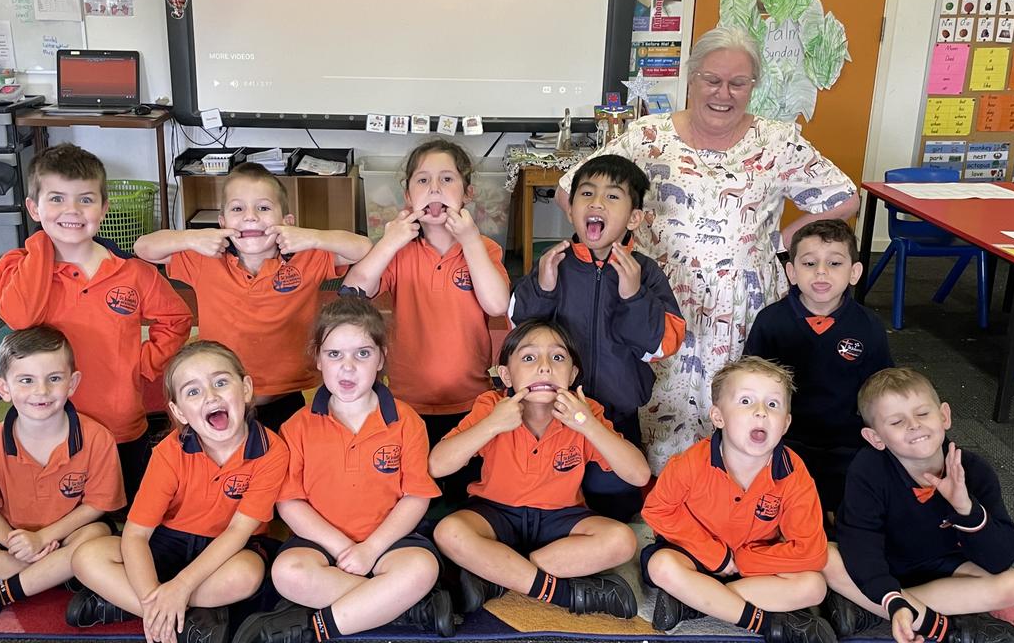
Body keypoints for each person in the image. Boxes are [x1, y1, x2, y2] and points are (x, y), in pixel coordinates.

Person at [557, 26, 859, 470]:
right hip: (659, 300)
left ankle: (735, 489)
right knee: (656, 399)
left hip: (745, 309)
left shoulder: (777, 142)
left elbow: (843, 198)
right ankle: (663, 490)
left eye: (739, 82)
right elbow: (572, 189)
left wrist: (781, 243)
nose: (724, 93)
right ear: (692, 79)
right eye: (712, 80)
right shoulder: (646, 137)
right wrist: (614, 245)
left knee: (744, 401)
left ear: (754, 85)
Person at [232, 298, 453, 643]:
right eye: (335, 355)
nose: (347, 367)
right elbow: (290, 503)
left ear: (380, 358)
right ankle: (406, 609)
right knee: (287, 573)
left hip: (389, 542)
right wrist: (340, 547)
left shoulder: (406, 421)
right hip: (320, 543)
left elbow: (416, 497)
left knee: (421, 568)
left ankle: (313, 628)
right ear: (318, 359)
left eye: (362, 354)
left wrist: (370, 549)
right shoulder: (297, 427)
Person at [0, 143, 193, 502]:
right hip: (50, 420)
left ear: (103, 209)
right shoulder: (17, 266)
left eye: (85, 200)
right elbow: (19, 317)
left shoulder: (131, 272)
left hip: (119, 419)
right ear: (33, 208)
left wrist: (143, 365)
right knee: (59, 506)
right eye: (56, 199)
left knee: (132, 504)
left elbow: (176, 319)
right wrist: (42, 246)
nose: (71, 210)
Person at [69, 341, 288, 643]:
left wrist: (182, 585)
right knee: (86, 557)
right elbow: (135, 534)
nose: (210, 396)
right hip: (170, 540)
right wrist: (152, 599)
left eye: (221, 382)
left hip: (231, 546)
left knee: (247, 576)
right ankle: (178, 617)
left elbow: (238, 531)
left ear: (246, 389)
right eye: (193, 391)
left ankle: (127, 602)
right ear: (178, 411)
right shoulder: (168, 453)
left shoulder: (272, 451)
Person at [430, 320, 649, 617]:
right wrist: (492, 425)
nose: (544, 367)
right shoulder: (491, 406)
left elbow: (639, 475)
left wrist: (587, 425)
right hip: (496, 513)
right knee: (448, 532)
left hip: (561, 518)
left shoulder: (585, 410)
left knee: (623, 541)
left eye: (558, 358)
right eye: (529, 358)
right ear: (506, 375)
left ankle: (499, 575)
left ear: (572, 374)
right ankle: (563, 594)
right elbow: (437, 465)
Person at [135, 162, 372, 431]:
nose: (251, 217)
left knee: (287, 466)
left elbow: (363, 248)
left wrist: (312, 236)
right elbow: (143, 247)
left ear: (287, 222)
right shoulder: (205, 259)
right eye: (238, 209)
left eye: (264, 208)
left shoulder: (307, 258)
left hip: (286, 395)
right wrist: (191, 238)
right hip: (222, 398)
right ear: (222, 222)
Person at [513, 153, 684, 519]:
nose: (596, 202)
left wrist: (633, 295)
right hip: (551, 412)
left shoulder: (645, 272)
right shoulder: (553, 261)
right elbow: (519, 330)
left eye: (612, 196)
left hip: (616, 415)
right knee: (545, 498)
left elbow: (663, 345)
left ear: (634, 217)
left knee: (617, 504)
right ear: (571, 209)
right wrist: (543, 287)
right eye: (586, 194)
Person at [0, 326, 125, 629]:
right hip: (11, 535)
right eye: (26, 380)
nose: (41, 391)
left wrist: (43, 537)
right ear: (3, 389)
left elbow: (96, 506)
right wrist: (13, 541)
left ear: (73, 383)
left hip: (69, 532)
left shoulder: (97, 438)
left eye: (54, 379)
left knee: (96, 540)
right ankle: (56, 574)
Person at [822, 369, 1014, 643]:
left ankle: (871, 612)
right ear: (876, 438)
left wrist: (966, 509)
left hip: (944, 567)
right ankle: (936, 624)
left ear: (944, 416)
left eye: (922, 414)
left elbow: (1002, 557)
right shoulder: (867, 469)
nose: (914, 425)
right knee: (824, 556)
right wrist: (890, 595)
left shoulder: (975, 471)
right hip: (883, 562)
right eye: (896, 421)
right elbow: (861, 545)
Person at [641, 357, 833, 642]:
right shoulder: (690, 463)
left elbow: (811, 551)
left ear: (786, 424)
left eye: (773, 404)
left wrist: (742, 561)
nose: (760, 413)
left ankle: (695, 604)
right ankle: (761, 622)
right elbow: (656, 511)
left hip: (754, 562)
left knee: (814, 586)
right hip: (696, 556)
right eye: (745, 401)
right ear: (718, 417)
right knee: (662, 566)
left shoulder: (794, 472)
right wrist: (716, 556)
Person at [341, 139, 509, 445]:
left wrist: (470, 241)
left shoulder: (484, 248)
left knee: (464, 486)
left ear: (467, 193)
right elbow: (354, 291)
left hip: (472, 401)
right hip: (407, 402)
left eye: (447, 179)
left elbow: (497, 305)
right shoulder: (400, 252)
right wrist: (390, 241)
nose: (434, 188)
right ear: (408, 196)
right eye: (423, 180)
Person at [744, 219, 893, 514]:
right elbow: (749, 384)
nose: (821, 272)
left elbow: (883, 390)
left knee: (866, 506)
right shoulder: (771, 321)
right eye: (809, 263)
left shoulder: (869, 326)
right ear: (791, 272)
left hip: (848, 442)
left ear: (854, 273)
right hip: (784, 439)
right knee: (775, 507)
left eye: (835, 263)